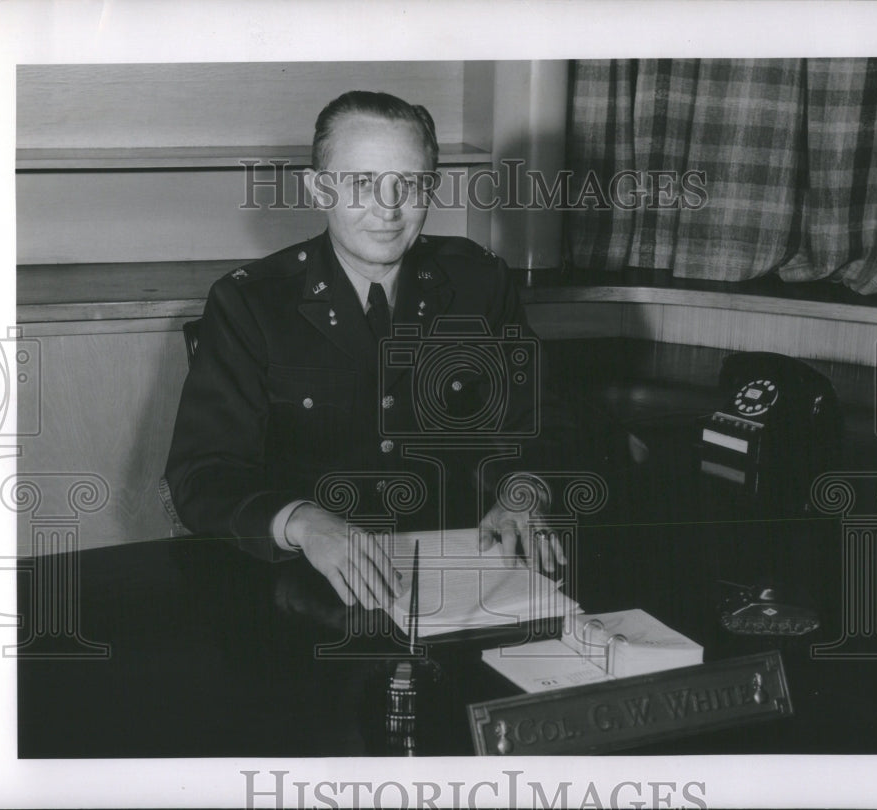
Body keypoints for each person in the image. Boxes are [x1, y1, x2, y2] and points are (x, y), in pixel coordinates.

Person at [165, 90, 574, 611]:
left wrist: (524, 487)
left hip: (467, 576)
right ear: (318, 190)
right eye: (362, 183)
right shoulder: (250, 302)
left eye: (409, 184)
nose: (388, 209)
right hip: (304, 588)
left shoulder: (478, 282)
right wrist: (302, 523)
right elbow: (201, 474)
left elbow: (542, 416)